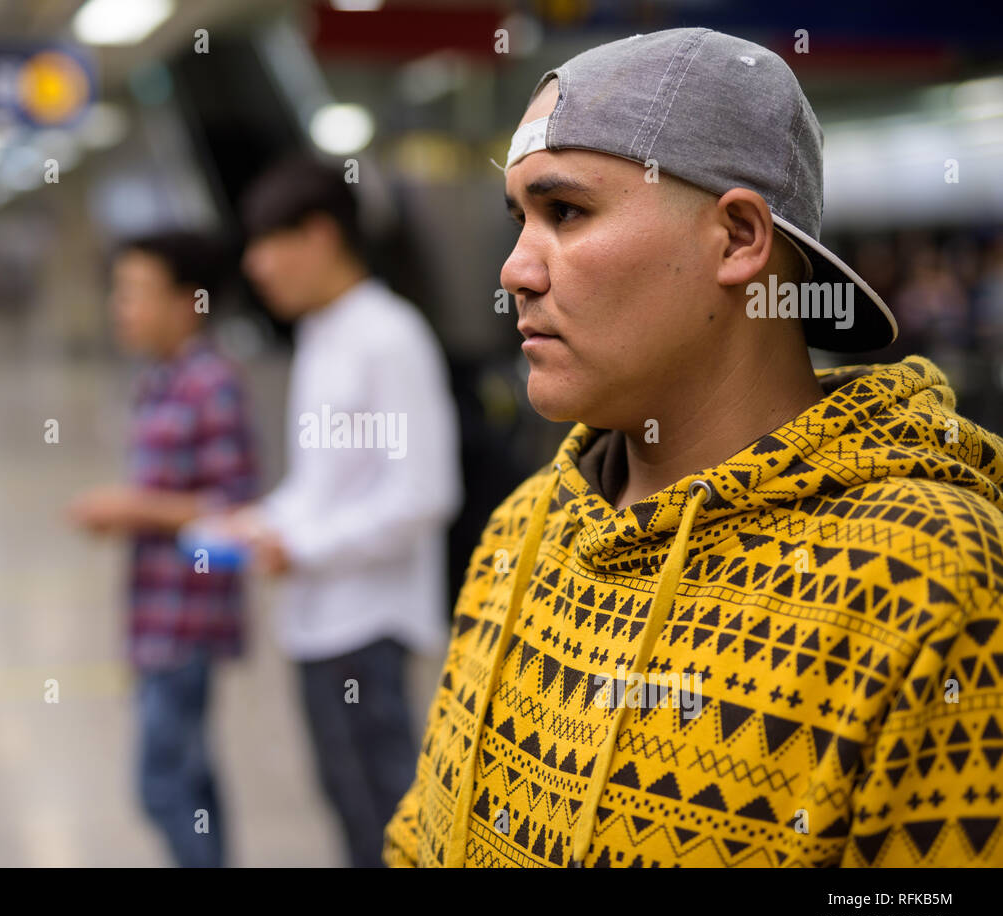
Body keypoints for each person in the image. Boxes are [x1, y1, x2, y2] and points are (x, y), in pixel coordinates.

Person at [385, 27, 1003, 868]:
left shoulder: (934, 578)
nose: (515, 270)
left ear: (741, 238)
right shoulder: (522, 532)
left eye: (565, 211)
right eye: (519, 217)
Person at [235, 154, 462, 867]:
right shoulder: (321, 334)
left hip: (368, 621)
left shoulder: (388, 337)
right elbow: (322, 481)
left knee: (386, 815)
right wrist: (260, 520)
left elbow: (424, 492)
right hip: (315, 620)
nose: (257, 265)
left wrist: (303, 547)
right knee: (346, 802)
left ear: (321, 236)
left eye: (270, 243)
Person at [67, 231, 257, 867]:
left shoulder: (211, 385)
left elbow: (234, 509)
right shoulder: (158, 381)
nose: (122, 307)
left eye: (136, 293)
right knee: (191, 776)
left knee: (162, 783)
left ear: (189, 303)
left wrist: (130, 509)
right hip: (155, 612)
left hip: (188, 619)